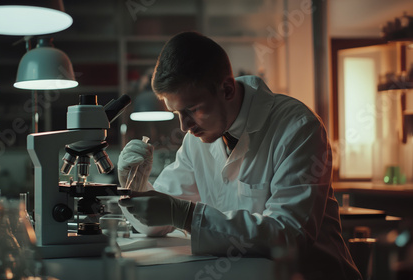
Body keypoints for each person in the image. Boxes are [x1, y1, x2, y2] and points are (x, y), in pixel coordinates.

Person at [118, 31, 361, 280]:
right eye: (176, 112)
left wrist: (187, 216)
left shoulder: (298, 128)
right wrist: (136, 187)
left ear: (227, 89)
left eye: (193, 110)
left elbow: (289, 237)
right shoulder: (197, 139)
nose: (184, 127)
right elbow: (159, 222)